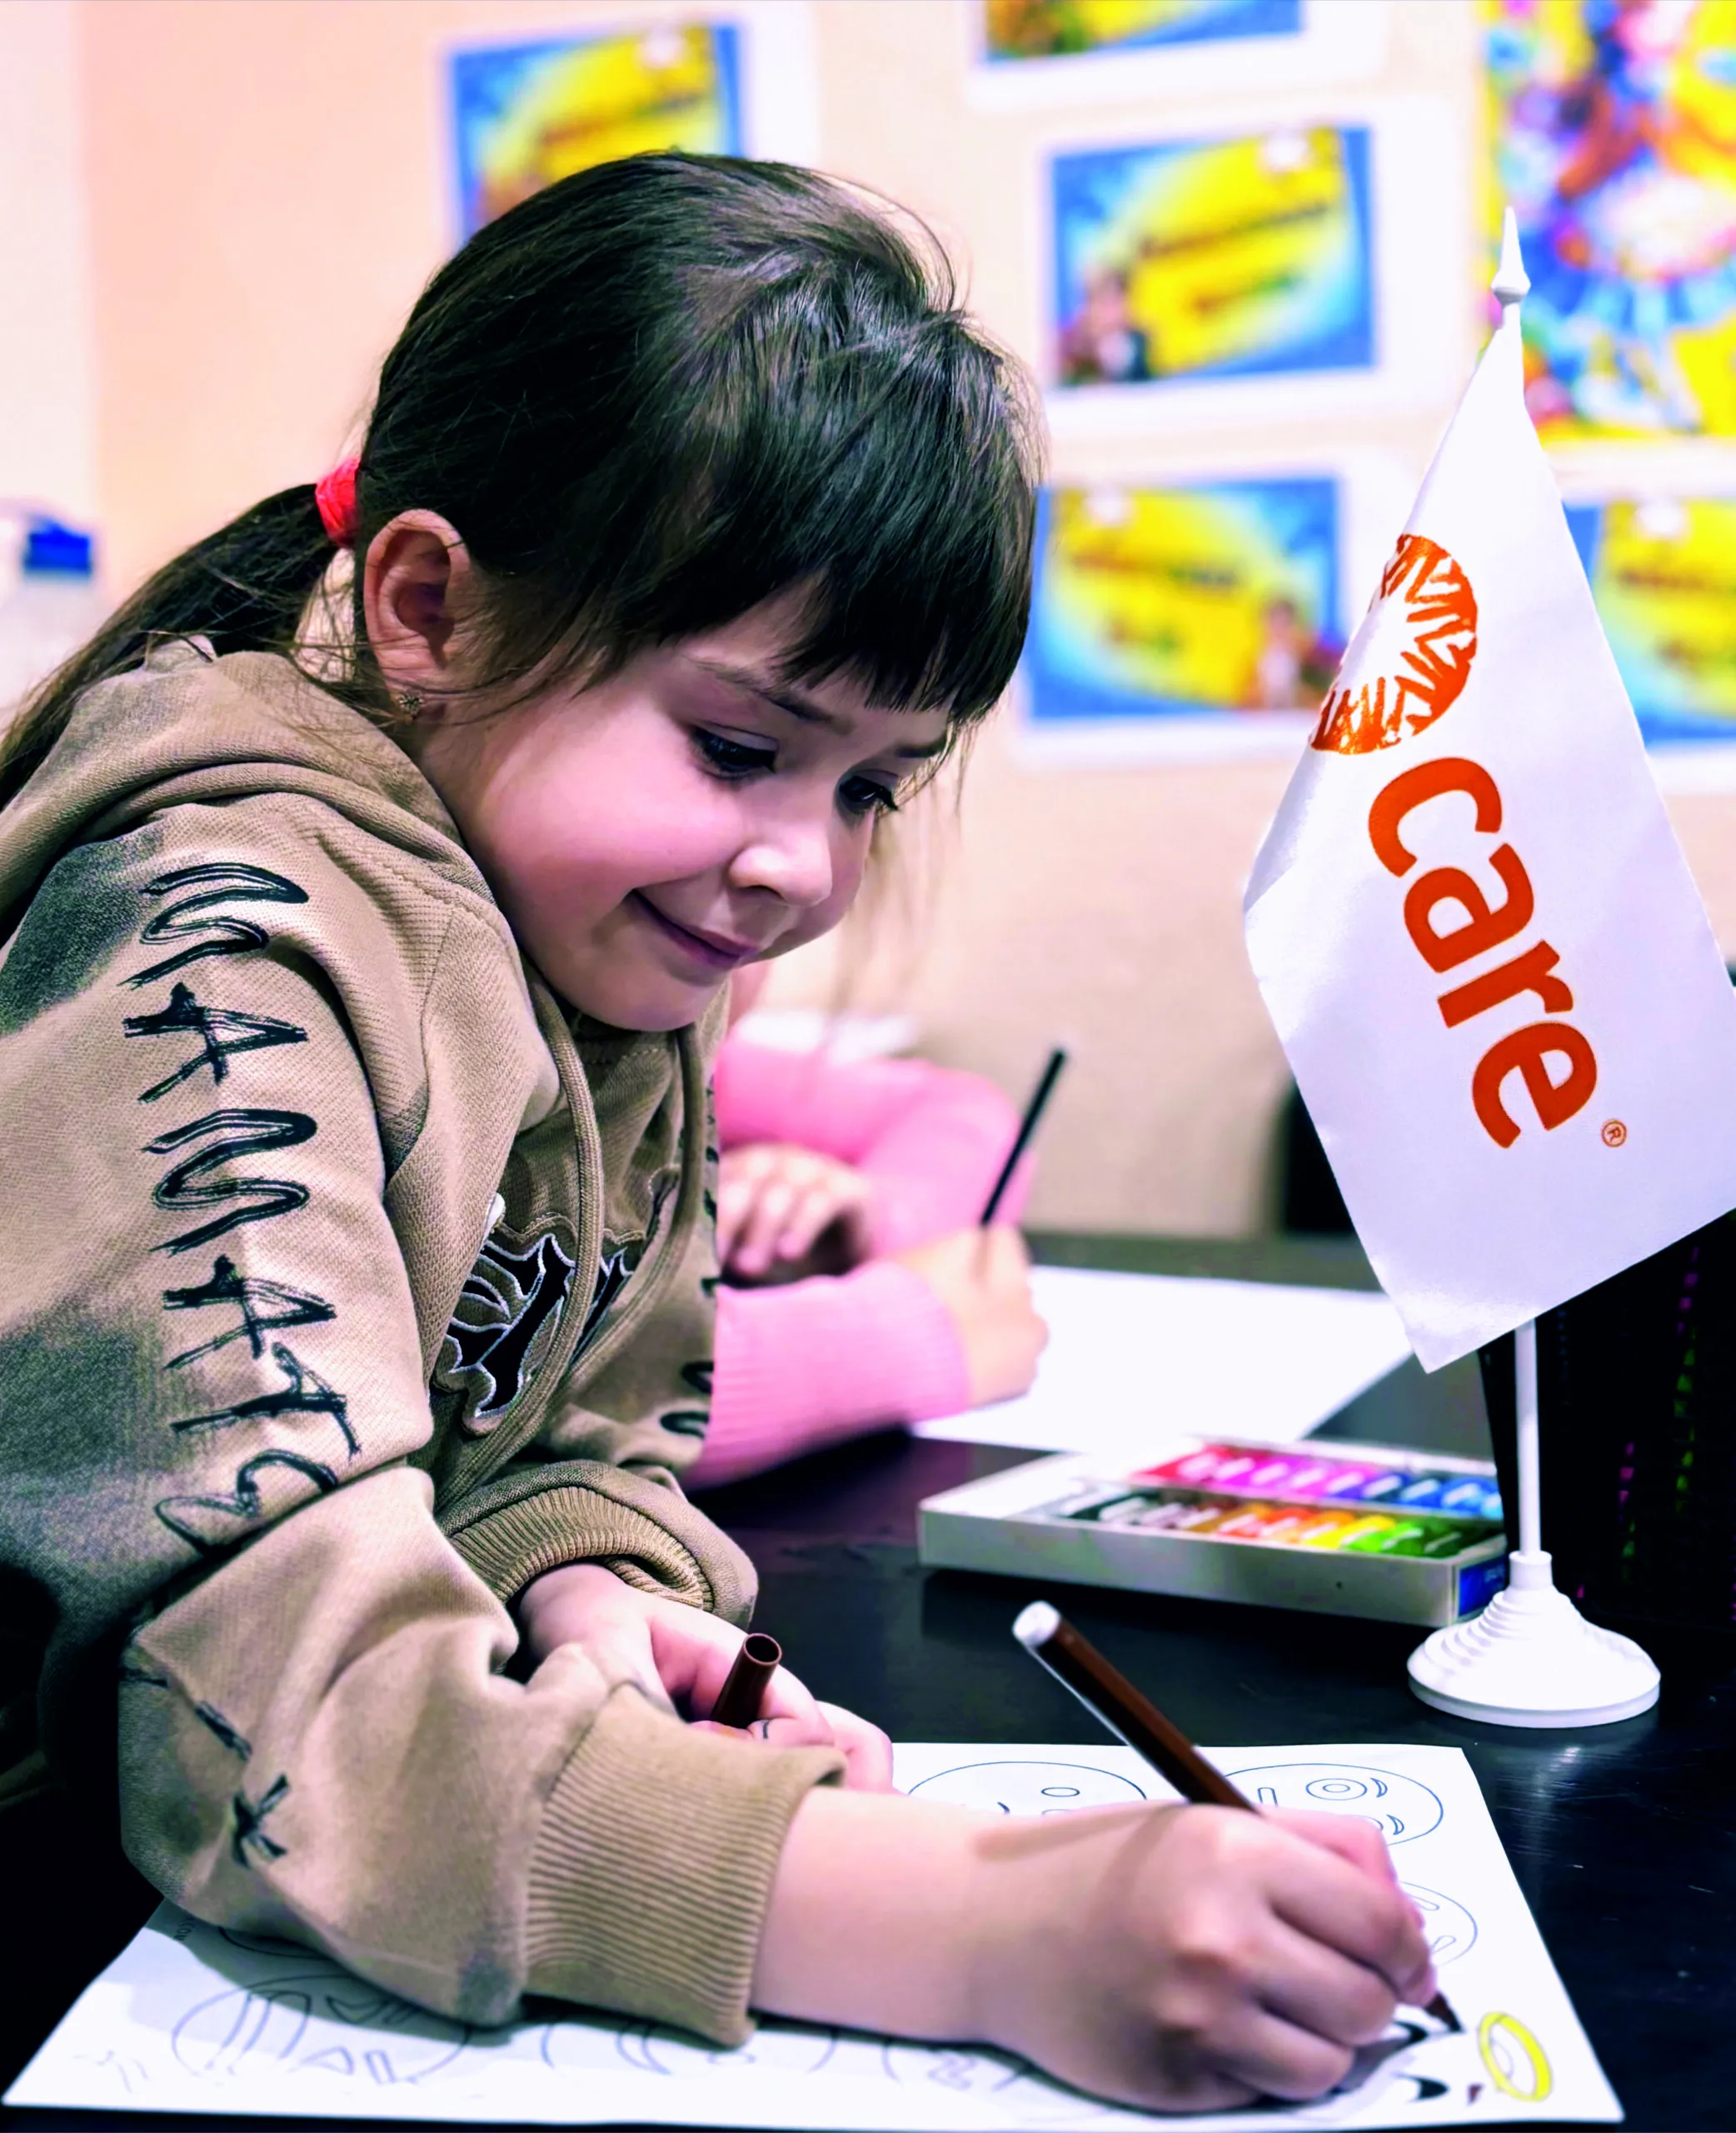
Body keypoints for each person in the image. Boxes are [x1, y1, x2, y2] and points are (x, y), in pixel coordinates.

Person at [0, 153, 1431, 2112]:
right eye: (745, 745)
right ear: (427, 607)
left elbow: (558, 1417)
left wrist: (596, 1589)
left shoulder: (601, 921)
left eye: (872, 787)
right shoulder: (209, 951)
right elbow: (285, 1722)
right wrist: (977, 1922)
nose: (799, 869)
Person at [696, 983, 1048, 1489]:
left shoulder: (688, 1057)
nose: (798, 897)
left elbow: (961, 1111)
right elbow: (562, 1387)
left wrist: (867, 1213)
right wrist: (906, 1335)